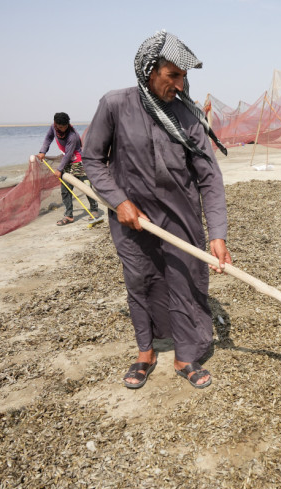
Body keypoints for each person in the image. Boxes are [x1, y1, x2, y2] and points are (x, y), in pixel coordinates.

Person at [82, 31, 231, 389]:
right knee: (141, 280)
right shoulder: (115, 104)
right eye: (173, 75)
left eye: (184, 77)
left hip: (180, 218)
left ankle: (184, 356)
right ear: (149, 70)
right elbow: (92, 159)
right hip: (131, 220)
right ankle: (145, 353)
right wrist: (119, 201)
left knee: (185, 281)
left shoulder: (190, 116)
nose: (180, 84)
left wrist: (218, 234)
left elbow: (209, 178)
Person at [37, 112, 99, 225]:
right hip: (67, 163)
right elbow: (48, 138)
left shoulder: (72, 136)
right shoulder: (53, 128)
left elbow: (68, 154)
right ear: (56, 124)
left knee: (87, 186)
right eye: (61, 127)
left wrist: (59, 169)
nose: (64, 129)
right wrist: (42, 151)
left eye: (65, 126)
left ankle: (94, 210)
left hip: (79, 162)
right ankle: (68, 216)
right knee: (65, 190)